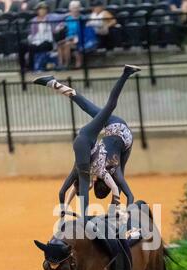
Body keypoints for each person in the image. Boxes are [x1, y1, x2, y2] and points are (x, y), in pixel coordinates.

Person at [34, 64, 140, 219]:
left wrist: (123, 210)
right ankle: (125, 73)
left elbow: (127, 195)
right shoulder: (101, 172)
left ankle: (54, 84)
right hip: (114, 130)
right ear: (96, 181)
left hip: (122, 134)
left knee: (120, 176)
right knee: (97, 106)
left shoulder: (111, 174)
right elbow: (77, 185)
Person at [57, 0, 83, 69]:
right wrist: (61, 27)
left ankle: (66, 64)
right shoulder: (68, 19)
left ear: (79, 8)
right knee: (59, 44)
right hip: (69, 38)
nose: (75, 10)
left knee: (67, 44)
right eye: (73, 8)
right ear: (70, 9)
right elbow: (64, 28)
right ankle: (60, 64)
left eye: (77, 7)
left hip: (79, 39)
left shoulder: (82, 18)